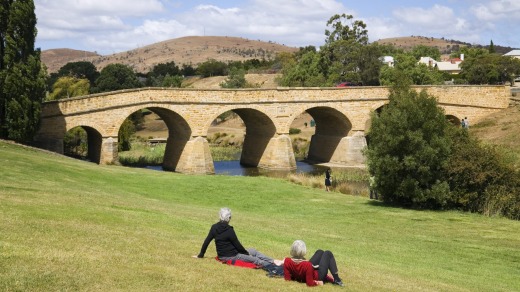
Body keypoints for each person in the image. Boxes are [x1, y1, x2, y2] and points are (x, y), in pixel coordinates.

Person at [193, 207, 282, 268]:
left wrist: (201, 255)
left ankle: (273, 260)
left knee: (253, 251)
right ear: (229, 218)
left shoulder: (214, 227)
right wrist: (246, 254)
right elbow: (238, 246)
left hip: (227, 254)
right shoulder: (229, 230)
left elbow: (206, 241)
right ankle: (274, 265)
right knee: (255, 260)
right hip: (231, 256)